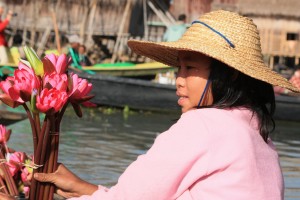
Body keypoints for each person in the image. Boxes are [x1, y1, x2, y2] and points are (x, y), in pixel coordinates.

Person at [2, 10, 298, 200]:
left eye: (190, 68)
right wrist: (84, 189)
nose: (179, 80)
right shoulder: (259, 135)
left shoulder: (203, 125)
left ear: (228, 74)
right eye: (178, 68)